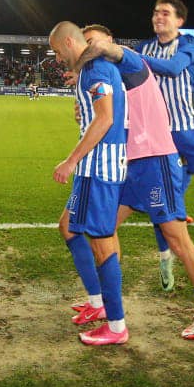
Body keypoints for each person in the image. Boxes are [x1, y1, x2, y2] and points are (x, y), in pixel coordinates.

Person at [78, 24, 194, 339]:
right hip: (133, 166)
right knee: (103, 230)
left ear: (109, 40)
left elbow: (110, 51)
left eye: (91, 40)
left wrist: (84, 54)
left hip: (156, 160)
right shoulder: (111, 77)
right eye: (83, 41)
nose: (88, 46)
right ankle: (108, 307)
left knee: (177, 240)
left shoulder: (130, 59)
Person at [48, 21, 130, 346]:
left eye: (57, 51)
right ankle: (97, 305)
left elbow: (105, 118)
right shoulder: (90, 71)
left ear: (69, 42)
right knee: (68, 227)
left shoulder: (96, 69)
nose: (56, 59)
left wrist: (71, 160)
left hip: (100, 167)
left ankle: (117, 325)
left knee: (102, 242)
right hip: (92, 168)